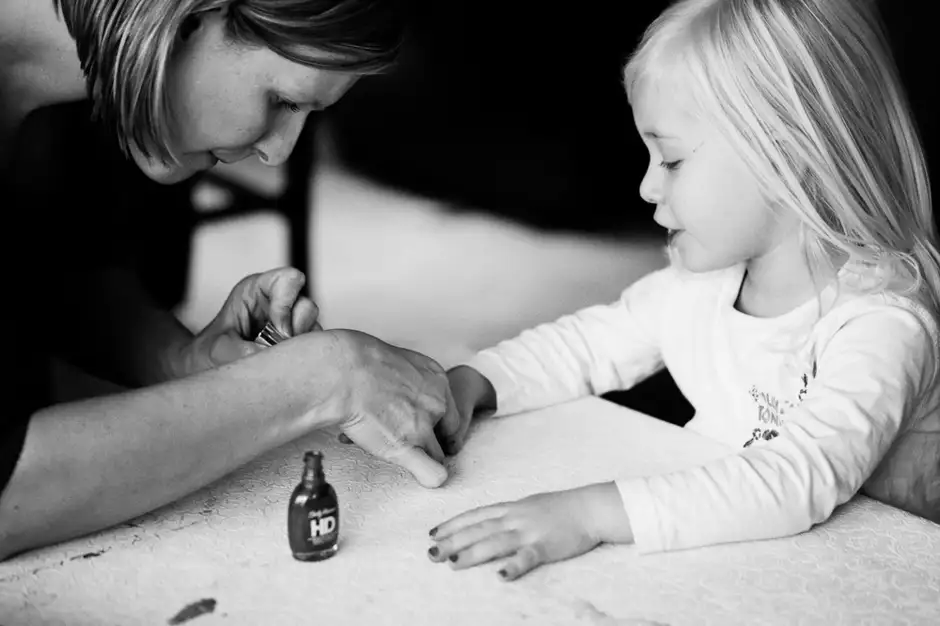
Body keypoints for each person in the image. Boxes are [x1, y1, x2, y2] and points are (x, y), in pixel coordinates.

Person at [428, 0, 940, 581]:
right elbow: (589, 345)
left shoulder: (882, 323)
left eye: (670, 160)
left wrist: (589, 513)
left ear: (785, 157)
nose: (647, 186)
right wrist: (475, 382)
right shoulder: (699, 287)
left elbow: (798, 478)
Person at [0, 0, 463, 561]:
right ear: (192, 16)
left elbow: (56, 279)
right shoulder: (146, 80)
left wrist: (177, 360)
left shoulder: (124, 86)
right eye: (283, 100)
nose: (276, 152)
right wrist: (319, 379)